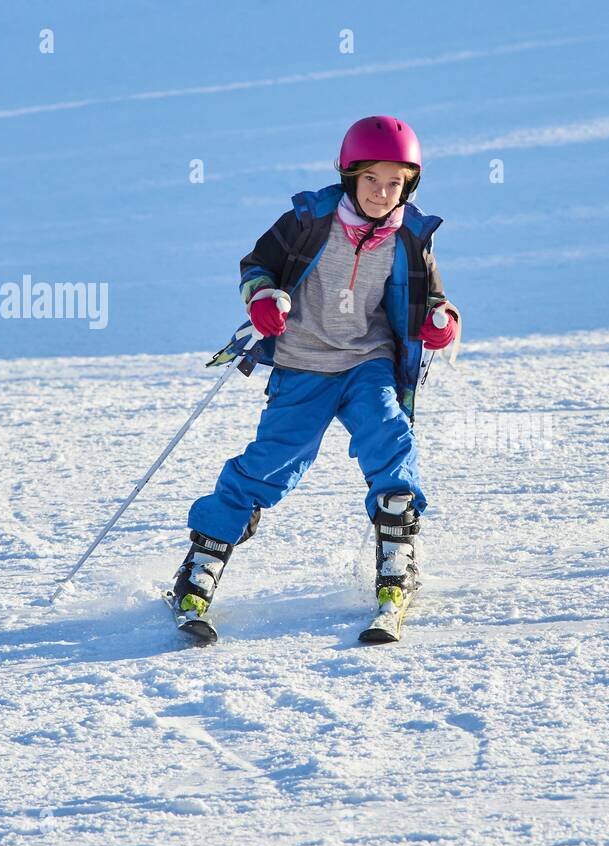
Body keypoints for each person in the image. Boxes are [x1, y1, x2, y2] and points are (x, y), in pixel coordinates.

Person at [169, 115, 460, 641]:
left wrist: (441, 323)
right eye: (371, 179)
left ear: (409, 184)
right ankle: (200, 567)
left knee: (390, 439)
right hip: (303, 364)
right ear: (350, 176)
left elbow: (432, 300)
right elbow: (256, 265)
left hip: (367, 362)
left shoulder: (412, 236)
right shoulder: (307, 220)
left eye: (395, 182)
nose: (382, 192)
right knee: (270, 463)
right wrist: (262, 298)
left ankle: (397, 563)